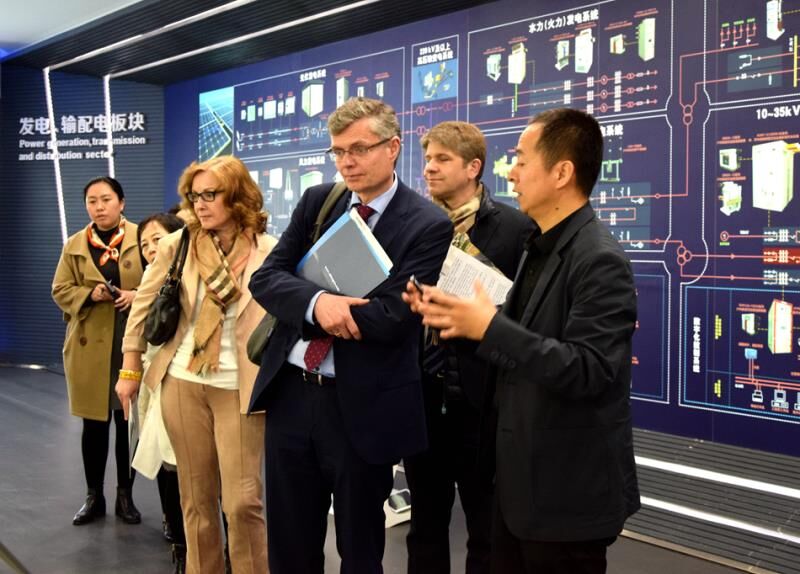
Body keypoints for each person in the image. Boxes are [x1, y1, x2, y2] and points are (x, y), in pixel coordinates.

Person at [404, 108, 640, 574]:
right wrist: (457, 318)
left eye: (521, 160)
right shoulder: (540, 246)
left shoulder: (599, 259)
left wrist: (489, 327)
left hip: (564, 497)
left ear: (562, 173)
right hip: (520, 485)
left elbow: (590, 369)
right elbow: (523, 343)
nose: (510, 172)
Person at [248, 97, 453, 573]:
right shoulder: (319, 201)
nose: (346, 162)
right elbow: (267, 279)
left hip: (362, 407)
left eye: (359, 149)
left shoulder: (427, 224)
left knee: (360, 550)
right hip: (291, 395)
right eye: (338, 151)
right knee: (289, 546)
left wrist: (310, 300)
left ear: (393, 147)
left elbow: (392, 317)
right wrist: (320, 304)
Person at [116, 156, 274, 574]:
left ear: (237, 197)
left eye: (210, 194)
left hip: (239, 387)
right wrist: (130, 371)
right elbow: (142, 308)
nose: (200, 204)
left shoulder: (268, 250)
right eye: (194, 196)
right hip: (182, 382)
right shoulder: (179, 244)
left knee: (243, 502)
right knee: (196, 499)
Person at [405, 121, 534, 574]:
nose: (429, 168)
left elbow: (526, 312)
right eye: (428, 159)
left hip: (483, 402)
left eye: (442, 159)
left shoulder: (516, 229)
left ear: (473, 167)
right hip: (423, 396)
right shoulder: (415, 225)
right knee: (424, 525)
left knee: (486, 528)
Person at [52, 176, 144, 526]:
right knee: (93, 425)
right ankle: (94, 497)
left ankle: (125, 496)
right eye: (92, 201)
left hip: (130, 343)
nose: (99, 207)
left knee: (127, 424)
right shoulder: (75, 244)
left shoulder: (142, 237)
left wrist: (135, 296)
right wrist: (89, 294)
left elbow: (164, 282)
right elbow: (60, 289)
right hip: (89, 346)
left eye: (106, 199)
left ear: (121, 202)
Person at [135, 212, 188, 572]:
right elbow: (140, 331)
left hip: (198, 379)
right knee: (166, 459)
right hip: (157, 377)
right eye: (144, 244)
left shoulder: (195, 271)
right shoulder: (150, 279)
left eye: (158, 239)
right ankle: (178, 537)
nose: (152, 248)